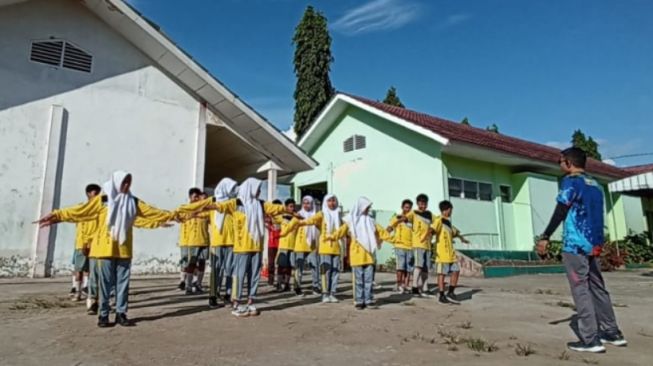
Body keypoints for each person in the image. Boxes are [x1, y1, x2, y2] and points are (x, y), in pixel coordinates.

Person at [36, 171, 176, 327]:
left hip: (123, 249)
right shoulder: (102, 200)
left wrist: (174, 215)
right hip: (103, 250)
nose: (127, 185)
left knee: (123, 283)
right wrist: (57, 215)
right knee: (104, 284)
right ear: (116, 182)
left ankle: (121, 313)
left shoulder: (133, 201)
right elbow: (80, 211)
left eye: (129, 182)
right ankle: (103, 314)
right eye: (124, 182)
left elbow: (152, 212)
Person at [537, 147, 627, 353]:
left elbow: (561, 209)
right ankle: (612, 332)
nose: (559, 165)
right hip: (594, 243)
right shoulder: (595, 184)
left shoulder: (570, 182)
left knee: (581, 289)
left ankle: (590, 339)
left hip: (575, 244)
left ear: (568, 162)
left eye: (560, 161)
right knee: (598, 287)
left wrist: (545, 236)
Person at [328, 197, 392, 309]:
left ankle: (368, 300)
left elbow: (383, 233)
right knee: (358, 281)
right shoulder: (351, 221)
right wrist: (331, 237)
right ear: (361, 207)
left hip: (369, 256)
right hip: (357, 255)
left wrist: (395, 240)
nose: (368, 209)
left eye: (368, 207)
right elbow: (340, 232)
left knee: (368, 280)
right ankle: (358, 300)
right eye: (366, 207)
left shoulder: (371, 221)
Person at [389, 193, 434, 297]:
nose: (423, 206)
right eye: (421, 203)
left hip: (427, 245)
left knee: (425, 268)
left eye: (425, 204)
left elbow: (437, 223)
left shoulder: (430, 214)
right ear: (418, 204)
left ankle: (425, 288)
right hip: (418, 244)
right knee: (417, 266)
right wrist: (393, 224)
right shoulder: (413, 213)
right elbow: (403, 218)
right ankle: (413, 287)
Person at [301, 194, 343, 303]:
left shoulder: (338, 215)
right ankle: (325, 293)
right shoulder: (322, 214)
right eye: (329, 201)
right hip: (325, 248)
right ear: (325, 202)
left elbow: (344, 229)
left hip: (337, 247)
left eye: (334, 200)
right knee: (326, 271)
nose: (332, 203)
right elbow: (311, 220)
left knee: (335, 271)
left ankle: (332, 293)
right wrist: (300, 222)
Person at [425, 200, 469, 304]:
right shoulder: (438, 220)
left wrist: (462, 238)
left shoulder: (448, 223)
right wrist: (428, 236)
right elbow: (432, 229)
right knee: (442, 274)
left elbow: (456, 232)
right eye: (451, 210)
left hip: (451, 254)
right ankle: (441, 295)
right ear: (447, 210)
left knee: (456, 271)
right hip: (442, 254)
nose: (451, 212)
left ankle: (451, 292)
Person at [207, 178, 238, 308]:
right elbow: (199, 212)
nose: (233, 191)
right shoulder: (211, 203)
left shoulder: (234, 204)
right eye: (231, 189)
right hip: (217, 242)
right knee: (216, 270)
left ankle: (228, 294)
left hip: (231, 241)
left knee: (230, 269)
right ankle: (213, 295)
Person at [178, 188, 210, 295]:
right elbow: (179, 218)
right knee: (190, 263)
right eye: (195, 196)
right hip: (192, 241)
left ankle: (198, 284)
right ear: (190, 197)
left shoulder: (206, 210)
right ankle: (188, 285)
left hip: (204, 240)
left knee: (202, 263)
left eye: (198, 196)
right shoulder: (186, 209)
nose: (197, 199)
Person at [292, 196, 321, 296]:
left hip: (312, 244)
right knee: (299, 267)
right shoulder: (298, 214)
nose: (306, 205)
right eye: (304, 203)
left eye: (308, 203)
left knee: (315, 265)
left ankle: (316, 286)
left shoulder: (315, 215)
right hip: (300, 244)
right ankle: (297, 286)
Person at [275, 198, 298, 293]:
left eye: (293, 206)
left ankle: (287, 284)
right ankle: (279, 284)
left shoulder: (296, 218)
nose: (292, 208)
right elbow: (274, 219)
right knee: (281, 266)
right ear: (286, 207)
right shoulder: (282, 217)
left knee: (289, 266)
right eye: (290, 206)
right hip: (283, 244)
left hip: (292, 245)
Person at [265, 199, 282, 288]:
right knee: (271, 263)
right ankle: (270, 280)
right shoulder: (269, 216)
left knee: (280, 263)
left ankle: (280, 281)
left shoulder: (283, 216)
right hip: (271, 243)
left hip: (282, 242)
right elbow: (266, 224)